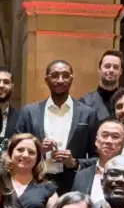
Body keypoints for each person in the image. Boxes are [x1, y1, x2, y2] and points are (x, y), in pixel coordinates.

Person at [17, 60, 96, 192]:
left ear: (71, 79)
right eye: (55, 75)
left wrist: (75, 163)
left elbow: (97, 158)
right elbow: (14, 148)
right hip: (36, 181)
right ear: (46, 80)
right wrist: (37, 150)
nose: (60, 80)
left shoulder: (87, 114)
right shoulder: (30, 112)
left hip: (74, 184)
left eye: (65, 75)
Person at [73, 117, 124, 204]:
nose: (108, 141)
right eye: (104, 136)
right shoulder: (82, 175)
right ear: (96, 141)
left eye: (115, 137)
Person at [3, 132, 58, 208]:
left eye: (31, 152)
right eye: (20, 150)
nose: (25, 155)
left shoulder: (48, 189)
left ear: (37, 159)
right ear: (10, 153)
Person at [78, 49, 124, 121]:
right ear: (99, 69)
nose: (111, 70)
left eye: (115, 67)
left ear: (120, 71)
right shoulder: (84, 103)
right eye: (107, 66)